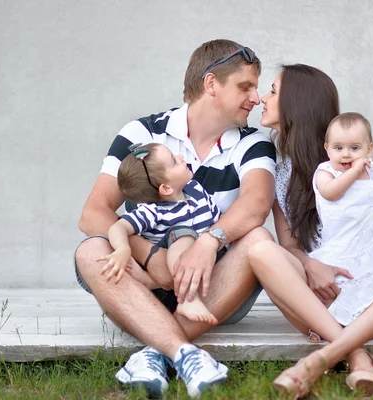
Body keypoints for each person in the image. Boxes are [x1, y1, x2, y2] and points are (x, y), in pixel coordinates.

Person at [74, 39, 276, 398]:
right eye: (245, 86)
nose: (256, 98)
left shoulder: (253, 143)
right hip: (141, 286)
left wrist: (208, 241)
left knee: (259, 239)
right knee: (89, 252)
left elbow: (257, 204)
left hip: (212, 288)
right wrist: (152, 258)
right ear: (211, 84)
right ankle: (183, 354)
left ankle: (156, 352)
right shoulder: (142, 134)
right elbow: (94, 213)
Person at [249, 64, 373, 398]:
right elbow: (289, 246)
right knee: (260, 250)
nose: (262, 99)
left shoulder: (355, 160)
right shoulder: (281, 173)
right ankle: (356, 354)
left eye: (272, 91)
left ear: (297, 103)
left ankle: (323, 357)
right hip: (321, 297)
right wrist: (312, 264)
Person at [97, 143, 223, 325]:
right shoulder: (153, 212)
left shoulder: (196, 191)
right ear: (166, 188)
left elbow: (217, 221)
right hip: (169, 274)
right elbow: (119, 227)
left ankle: (150, 282)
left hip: (202, 266)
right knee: (183, 234)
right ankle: (187, 300)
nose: (181, 157)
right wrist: (122, 248)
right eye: (173, 161)